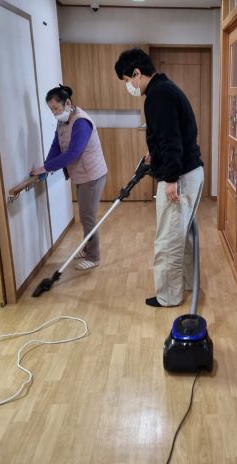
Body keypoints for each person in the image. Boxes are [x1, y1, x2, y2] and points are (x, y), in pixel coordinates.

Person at [114, 48, 204, 308]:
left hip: (180, 176)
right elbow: (172, 135)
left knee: (168, 239)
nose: (129, 86)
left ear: (137, 73)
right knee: (181, 234)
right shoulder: (165, 89)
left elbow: (172, 140)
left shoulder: (158, 96)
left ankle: (168, 296)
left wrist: (171, 179)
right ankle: (187, 283)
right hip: (190, 171)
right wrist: (155, 154)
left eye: (127, 80)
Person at [31, 85, 108, 270]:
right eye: (51, 110)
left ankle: (94, 257)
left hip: (92, 176)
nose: (54, 113)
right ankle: (87, 248)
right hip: (80, 175)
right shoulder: (63, 121)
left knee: (87, 217)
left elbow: (73, 153)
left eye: (56, 108)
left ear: (68, 103)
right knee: (85, 215)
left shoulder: (81, 122)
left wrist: (46, 167)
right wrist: (46, 166)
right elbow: (56, 146)